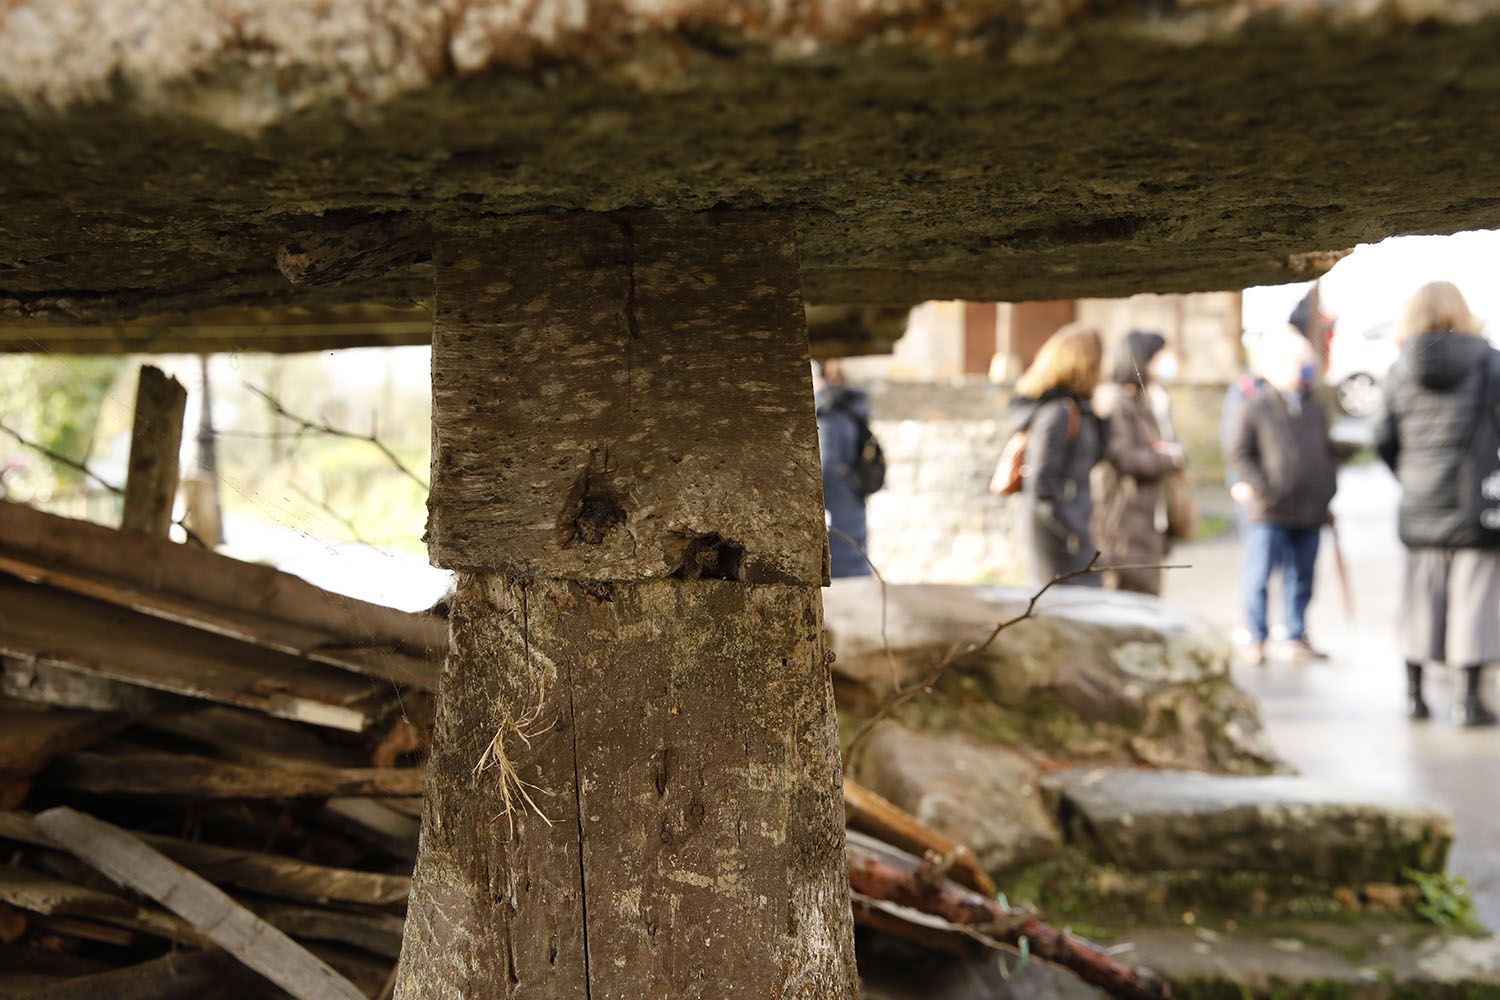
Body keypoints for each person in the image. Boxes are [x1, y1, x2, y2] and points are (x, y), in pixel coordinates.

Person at [1373, 281, 1500, 726]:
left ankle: (1415, 697)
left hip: (1420, 500)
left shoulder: (1398, 369)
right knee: (1475, 597)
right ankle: (1468, 701)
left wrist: (1409, 475)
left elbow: (1383, 438)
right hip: (1476, 502)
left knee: (1419, 598)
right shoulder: (1490, 362)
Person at [1228, 327, 1339, 664]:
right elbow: (1240, 453)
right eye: (1297, 361)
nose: (1305, 368)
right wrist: (1264, 488)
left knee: (1302, 576)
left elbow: (1326, 451)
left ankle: (1295, 633)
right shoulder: (1256, 405)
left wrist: (1328, 491)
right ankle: (1257, 637)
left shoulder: (1316, 407)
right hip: (1270, 509)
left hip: (1310, 509)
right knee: (1259, 575)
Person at [1009, 324, 1107, 588]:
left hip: (1073, 527)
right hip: (1057, 536)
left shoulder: (1078, 409)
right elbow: (1041, 482)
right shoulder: (1057, 414)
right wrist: (1072, 530)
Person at [1091, 331, 1187, 595]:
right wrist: (1169, 458)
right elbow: (1125, 457)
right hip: (1124, 519)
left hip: (1146, 518)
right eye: (1160, 356)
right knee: (1131, 600)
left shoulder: (1144, 398)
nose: (1167, 362)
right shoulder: (1115, 401)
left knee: (1147, 597)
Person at [814, 359, 874, 578]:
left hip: (837, 499)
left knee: (842, 562)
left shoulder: (829, 411)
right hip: (853, 492)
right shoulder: (852, 406)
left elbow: (827, 464)